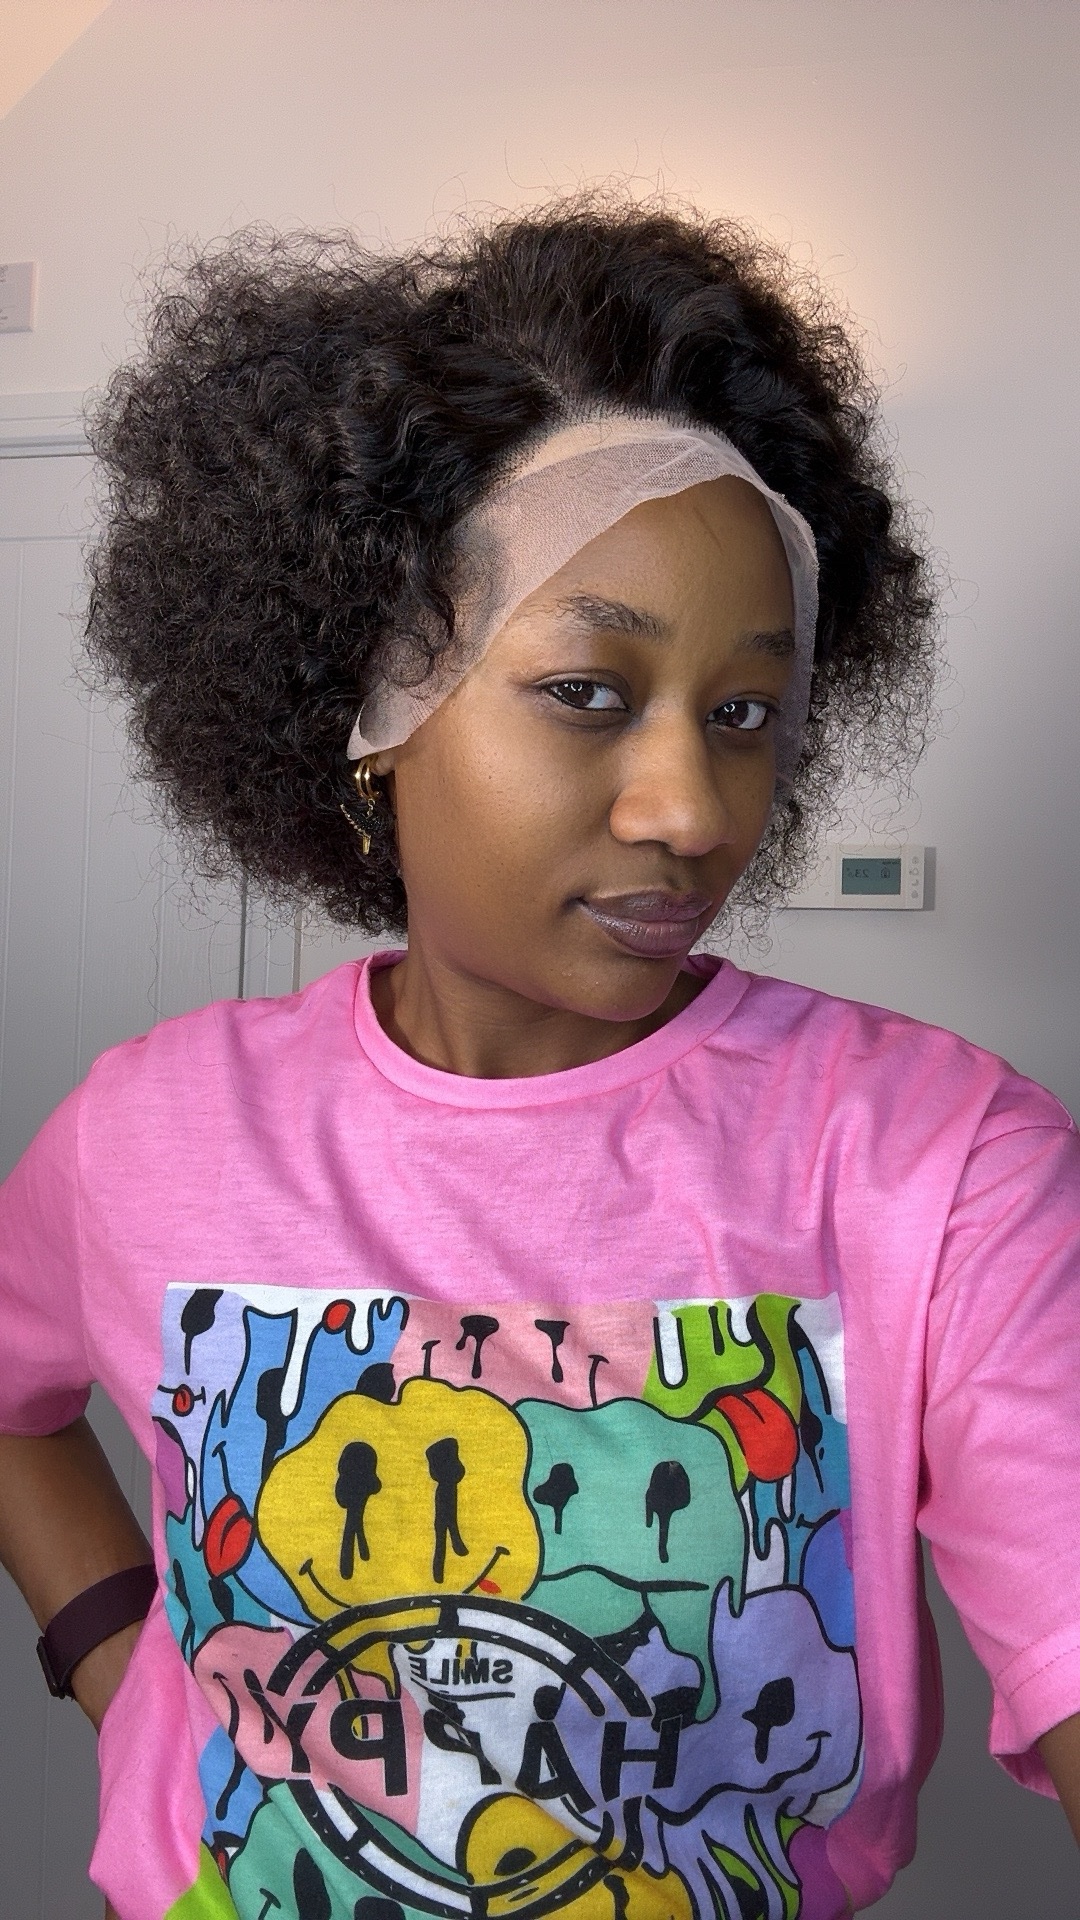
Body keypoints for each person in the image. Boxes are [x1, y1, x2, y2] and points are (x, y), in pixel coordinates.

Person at [0, 199, 1077, 1920]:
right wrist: (119, 1662)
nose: (695, 812)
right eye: (590, 690)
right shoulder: (145, 1131)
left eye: (745, 713)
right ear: (377, 709)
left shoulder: (940, 1163)